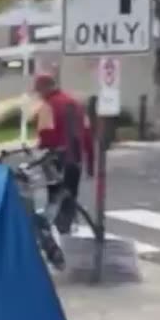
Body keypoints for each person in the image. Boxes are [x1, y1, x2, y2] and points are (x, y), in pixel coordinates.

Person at [32, 74, 94, 235]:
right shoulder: (77, 105)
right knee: (70, 195)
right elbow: (87, 134)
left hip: (55, 160)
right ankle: (68, 228)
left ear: (45, 88)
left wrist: (39, 156)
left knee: (55, 197)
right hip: (75, 159)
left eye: (39, 90)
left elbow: (45, 136)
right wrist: (91, 162)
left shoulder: (47, 106)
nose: (39, 94)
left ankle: (57, 233)